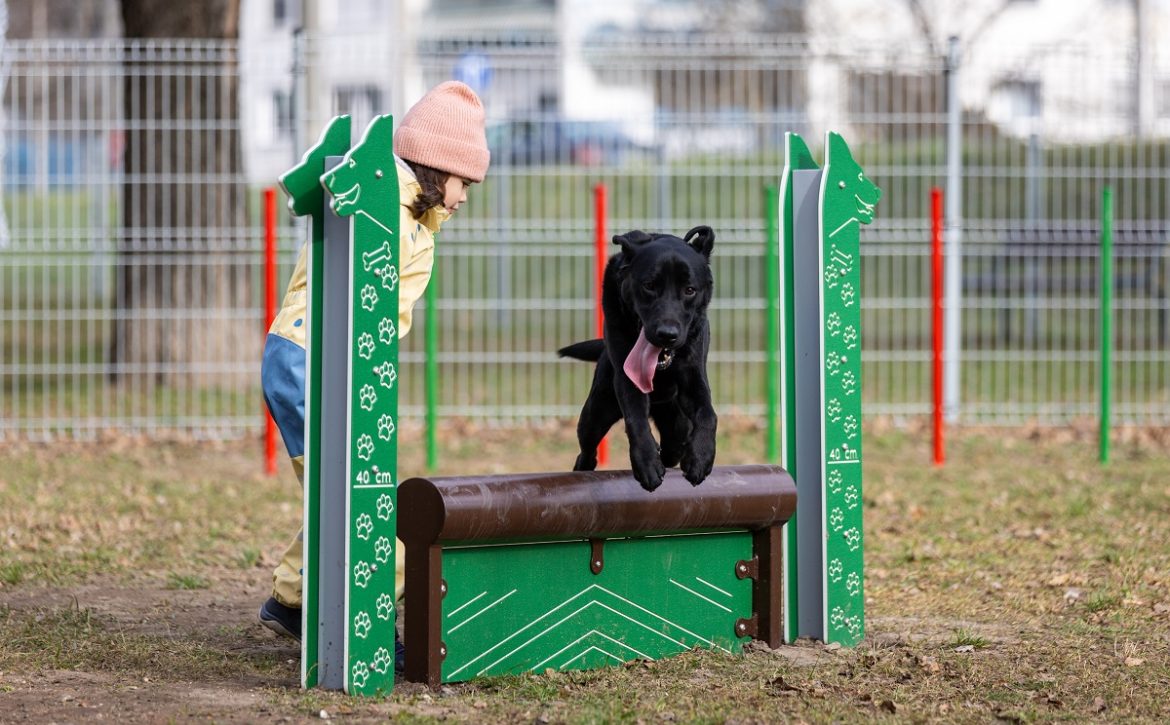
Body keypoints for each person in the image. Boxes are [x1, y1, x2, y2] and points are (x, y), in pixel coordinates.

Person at [258, 81, 490, 662]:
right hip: (311, 361)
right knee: (358, 498)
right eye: (463, 183)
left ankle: (290, 599)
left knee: (334, 486)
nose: (464, 198)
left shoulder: (410, 216)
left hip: (327, 361)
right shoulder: (381, 203)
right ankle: (369, 620)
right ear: (437, 171)